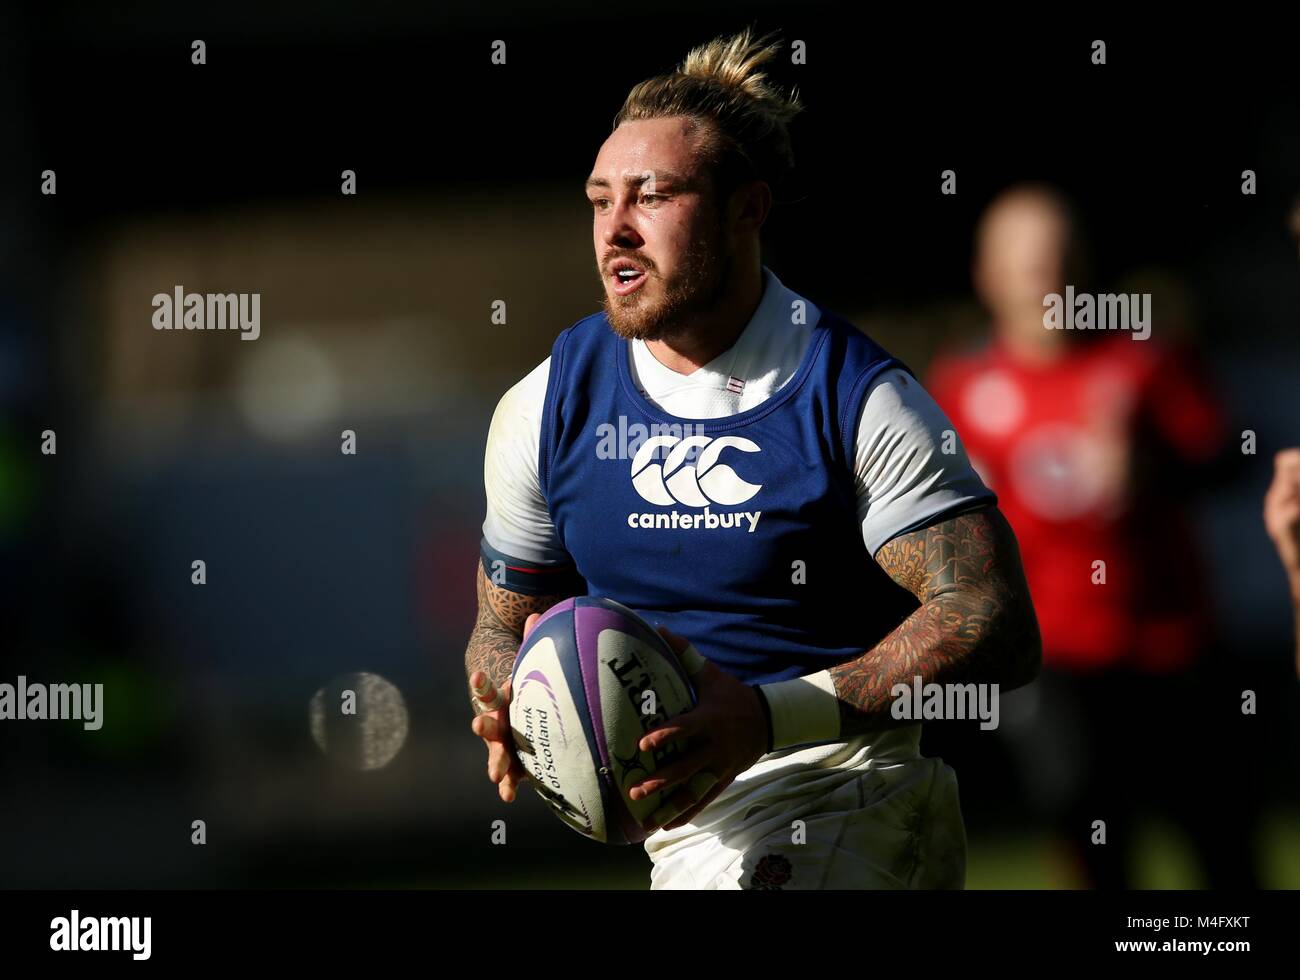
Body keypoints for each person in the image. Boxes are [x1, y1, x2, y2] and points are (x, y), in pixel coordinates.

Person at [464, 29, 1040, 889]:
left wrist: (769, 718)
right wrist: (517, 699)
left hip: (848, 795)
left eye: (653, 196)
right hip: (692, 831)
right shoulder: (545, 407)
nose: (616, 229)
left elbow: (994, 621)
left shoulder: (850, 393)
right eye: (599, 200)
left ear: (749, 210)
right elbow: (500, 624)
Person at [927, 184, 1257, 889]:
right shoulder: (960, 387)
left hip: (1170, 645)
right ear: (988, 274)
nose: (1045, 274)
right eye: (1026, 260)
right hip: (1053, 663)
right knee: (1089, 836)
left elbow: (1227, 460)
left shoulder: (1145, 362)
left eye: (1058, 256)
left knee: (1222, 842)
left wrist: (1154, 469)